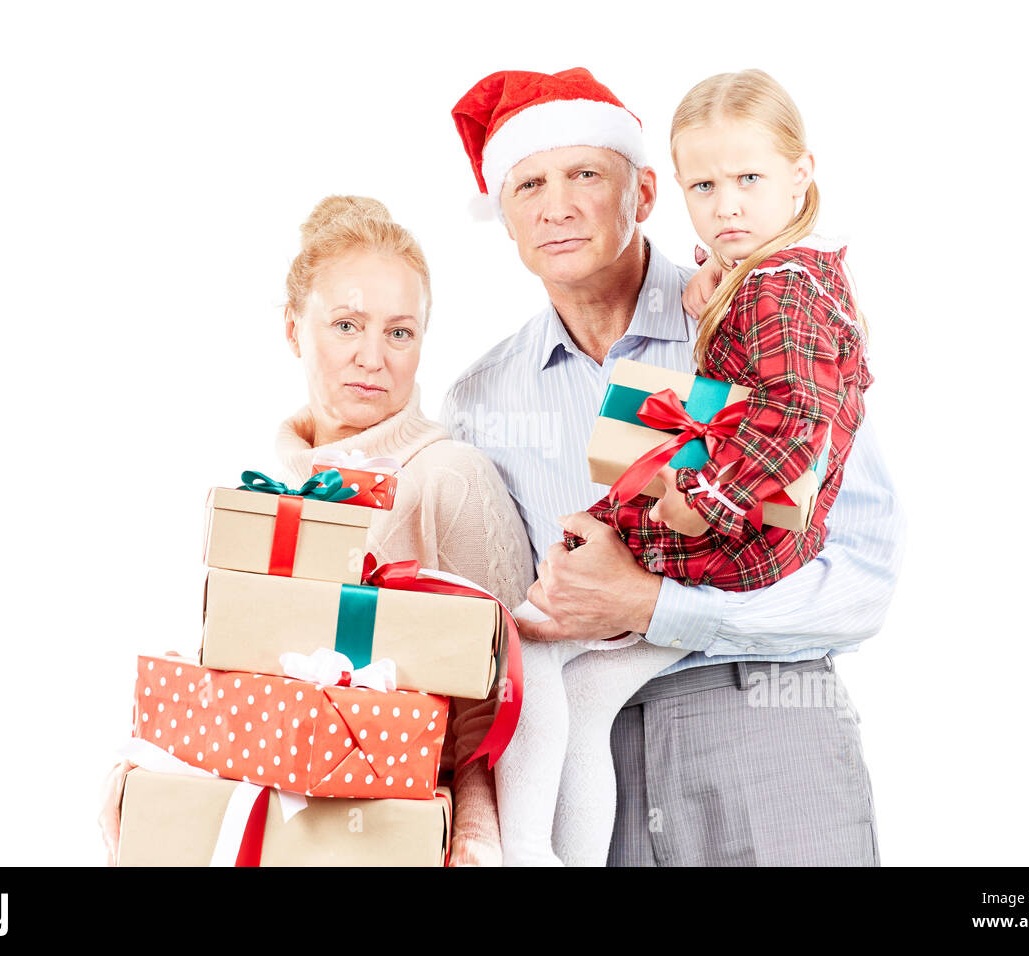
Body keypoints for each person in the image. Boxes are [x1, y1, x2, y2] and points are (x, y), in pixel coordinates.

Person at [444, 67, 905, 866]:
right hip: (587, 767)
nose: (557, 207)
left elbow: (862, 574)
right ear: (504, 214)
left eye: (586, 174)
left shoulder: (751, 314)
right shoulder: (480, 400)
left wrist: (658, 606)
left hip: (764, 728)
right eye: (528, 184)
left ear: (646, 192)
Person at [97, 195, 534, 867]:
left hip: (405, 836)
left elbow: (506, 709)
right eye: (346, 325)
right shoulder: (274, 499)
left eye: (399, 332)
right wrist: (161, 764)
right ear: (294, 330)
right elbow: (255, 686)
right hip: (293, 831)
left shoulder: (450, 477)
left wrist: (476, 841)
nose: (372, 357)